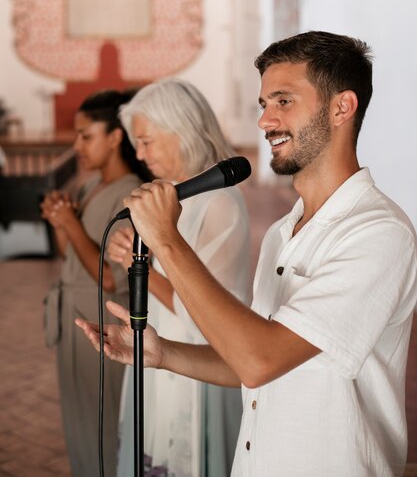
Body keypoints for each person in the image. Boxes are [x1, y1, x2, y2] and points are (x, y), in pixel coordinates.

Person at [77, 32, 417, 477]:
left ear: (341, 107)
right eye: (263, 104)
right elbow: (251, 360)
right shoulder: (282, 232)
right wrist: (163, 354)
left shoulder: (377, 232)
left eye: (283, 101)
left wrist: (166, 240)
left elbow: (261, 360)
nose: (264, 121)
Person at [107, 77, 252, 477]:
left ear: (182, 130)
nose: (139, 153)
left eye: (147, 141)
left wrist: (139, 268)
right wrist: (135, 252)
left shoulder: (219, 204)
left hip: (198, 366)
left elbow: (202, 313)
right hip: (159, 350)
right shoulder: (166, 193)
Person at [41, 89, 150, 477]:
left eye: (86, 136)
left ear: (116, 137)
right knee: (78, 420)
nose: (77, 145)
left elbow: (109, 277)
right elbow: (68, 254)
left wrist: (71, 223)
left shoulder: (132, 196)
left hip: (100, 322)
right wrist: (61, 223)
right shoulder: (89, 188)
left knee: (101, 423)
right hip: (74, 315)